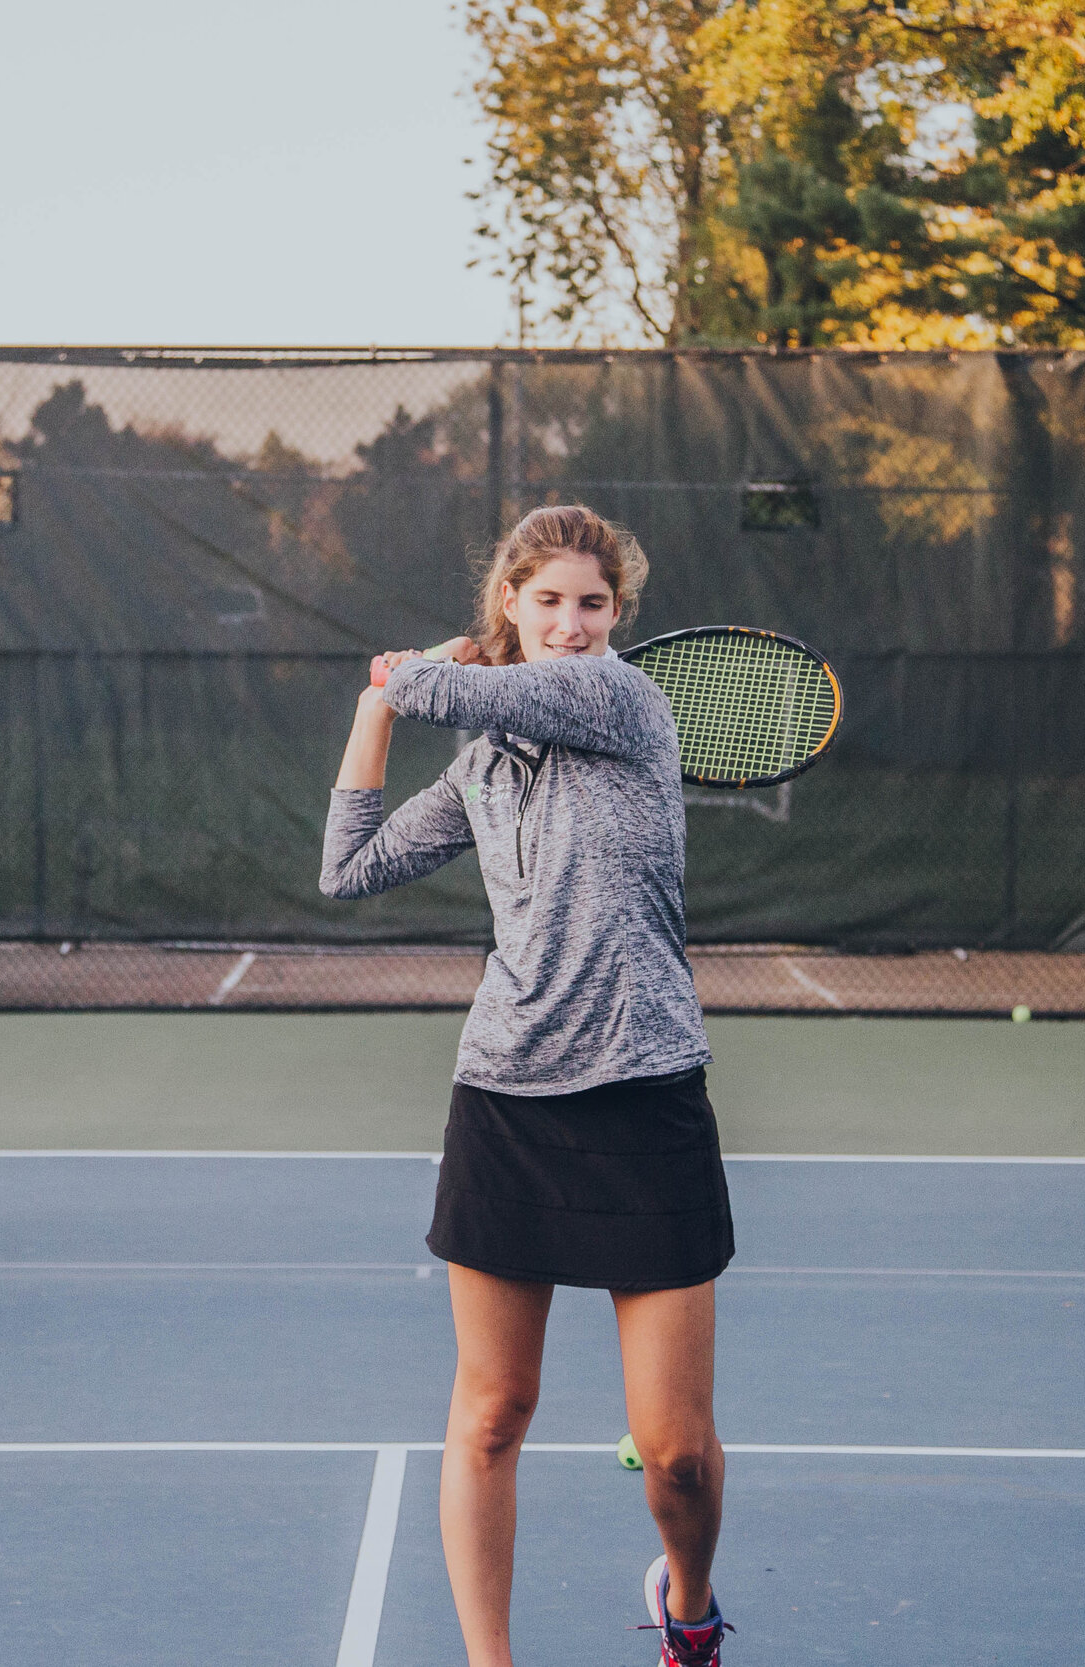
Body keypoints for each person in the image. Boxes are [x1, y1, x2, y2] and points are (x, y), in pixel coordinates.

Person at [321, 505, 736, 1667]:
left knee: (678, 1453)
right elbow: (349, 866)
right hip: (505, 1096)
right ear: (510, 599)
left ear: (616, 617)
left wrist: (416, 669)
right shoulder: (486, 761)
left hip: (644, 1094)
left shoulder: (618, 699)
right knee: (492, 1411)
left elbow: (452, 687)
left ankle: (687, 1600)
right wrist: (371, 709)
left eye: (592, 603)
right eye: (546, 599)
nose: (569, 622)